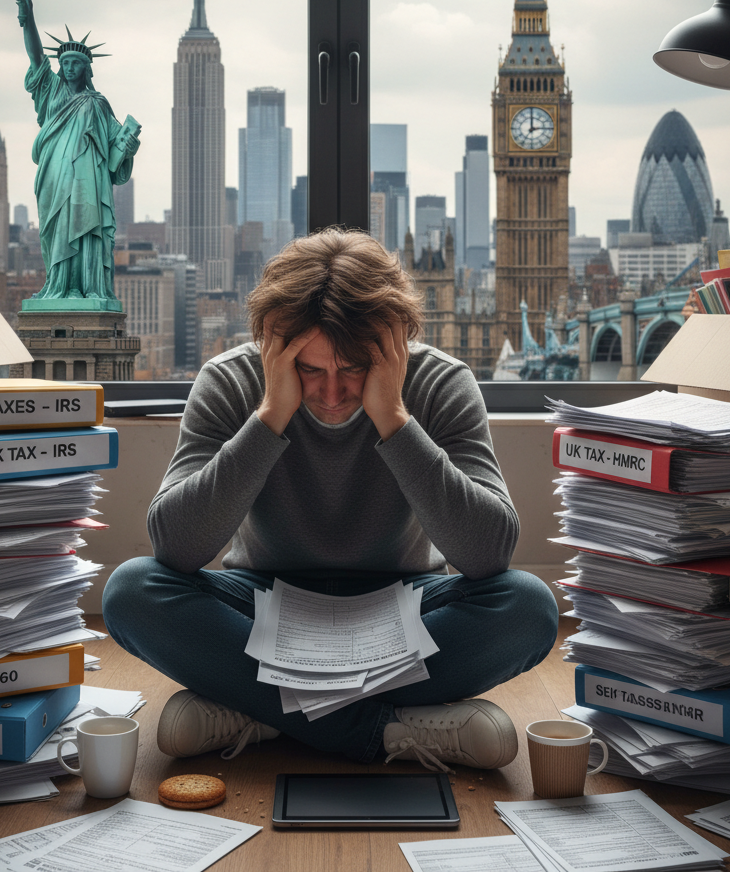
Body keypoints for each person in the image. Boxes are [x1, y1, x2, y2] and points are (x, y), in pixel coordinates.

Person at [103, 228, 559, 770]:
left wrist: (394, 418)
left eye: (354, 368)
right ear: (272, 341)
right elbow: (177, 548)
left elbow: (488, 554)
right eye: (311, 369)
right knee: (131, 591)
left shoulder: (440, 383)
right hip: (263, 605)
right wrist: (271, 415)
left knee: (529, 607)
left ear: (395, 343)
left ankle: (262, 712)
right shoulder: (229, 381)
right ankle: (384, 731)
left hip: (404, 608)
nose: (334, 394)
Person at [15, 0, 139, 304]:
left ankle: (85, 287)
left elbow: (115, 150)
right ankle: (57, 284)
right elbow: (35, 54)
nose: (69, 67)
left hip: (87, 180)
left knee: (85, 229)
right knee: (55, 227)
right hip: (54, 173)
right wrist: (26, 12)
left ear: (86, 68)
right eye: (65, 62)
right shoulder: (51, 90)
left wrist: (128, 146)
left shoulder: (98, 103)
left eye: (75, 63)